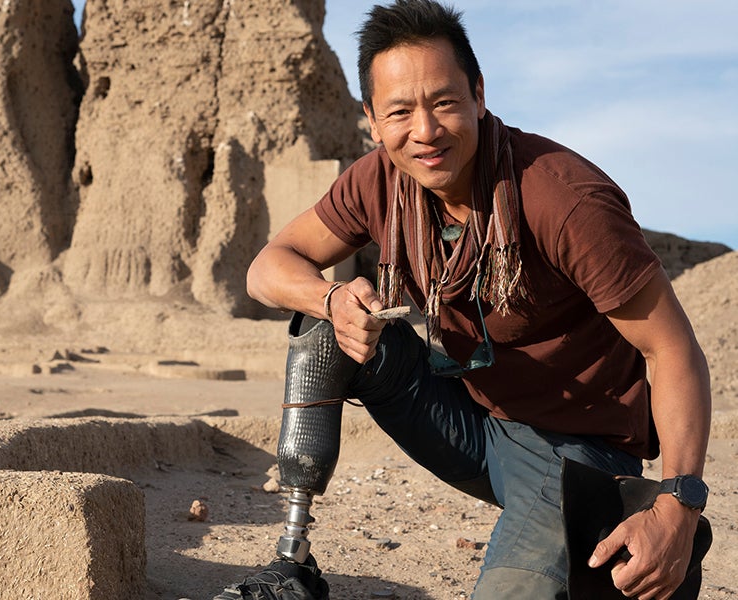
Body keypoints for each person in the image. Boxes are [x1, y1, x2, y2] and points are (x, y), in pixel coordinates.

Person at [214, 0, 712, 598]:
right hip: (468, 419)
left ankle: (623, 524)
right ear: (372, 119)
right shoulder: (379, 181)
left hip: (578, 450)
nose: (425, 131)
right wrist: (333, 298)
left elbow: (672, 350)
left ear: (478, 94)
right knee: (323, 330)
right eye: (400, 111)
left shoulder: (564, 199)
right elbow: (267, 267)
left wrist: (680, 507)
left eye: (444, 103)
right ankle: (292, 557)